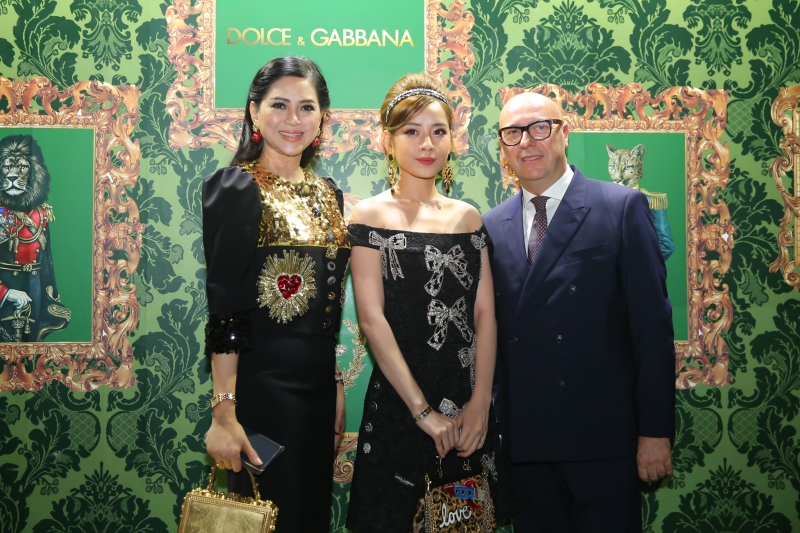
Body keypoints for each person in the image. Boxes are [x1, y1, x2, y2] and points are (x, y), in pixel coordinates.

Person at [482, 91, 675, 532]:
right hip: (526, 440)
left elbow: (651, 330)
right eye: (512, 133)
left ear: (564, 132)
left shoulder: (620, 207)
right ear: (503, 146)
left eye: (539, 127)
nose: (527, 141)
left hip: (603, 438)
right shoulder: (491, 225)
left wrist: (655, 432)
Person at [345, 73, 513, 533]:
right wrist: (422, 412)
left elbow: (484, 315)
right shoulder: (369, 215)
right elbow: (371, 319)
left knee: (463, 523)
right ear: (387, 141)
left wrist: (480, 403)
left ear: (452, 140)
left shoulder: (467, 217)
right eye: (411, 131)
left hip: (466, 407)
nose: (426, 144)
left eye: (438, 131)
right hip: (400, 401)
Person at [202, 56, 349, 532]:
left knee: (309, 518)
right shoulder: (236, 187)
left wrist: (336, 383)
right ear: (254, 111)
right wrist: (224, 414)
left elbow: (325, 306)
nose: (293, 119)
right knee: (267, 520)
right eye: (279, 105)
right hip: (263, 391)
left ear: (322, 118)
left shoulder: (329, 194)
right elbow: (225, 308)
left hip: (318, 393)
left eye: (307, 107)